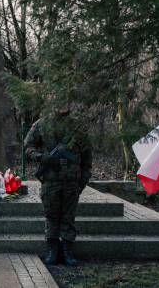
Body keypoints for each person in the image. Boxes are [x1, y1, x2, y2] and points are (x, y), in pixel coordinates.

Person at [24, 106, 92, 266]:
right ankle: (52, 250)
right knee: (51, 216)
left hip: (72, 182)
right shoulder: (41, 125)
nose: (63, 105)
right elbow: (28, 147)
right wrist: (43, 158)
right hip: (50, 181)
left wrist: (82, 182)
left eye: (67, 102)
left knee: (68, 217)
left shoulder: (78, 127)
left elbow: (87, 158)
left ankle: (68, 251)